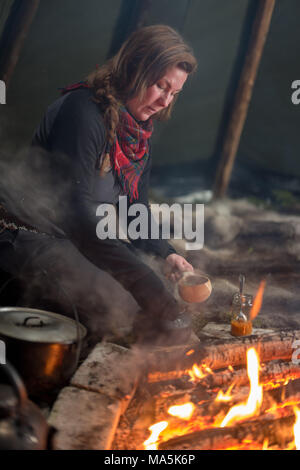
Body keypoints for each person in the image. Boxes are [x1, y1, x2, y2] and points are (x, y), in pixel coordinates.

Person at [0, 24, 198, 347]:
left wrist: (165, 254)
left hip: (72, 244)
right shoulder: (83, 112)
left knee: (140, 296)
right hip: (26, 239)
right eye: (161, 86)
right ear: (135, 68)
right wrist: (143, 281)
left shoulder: (136, 135)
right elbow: (77, 217)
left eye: (174, 93)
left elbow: (135, 211)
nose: (165, 101)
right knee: (121, 305)